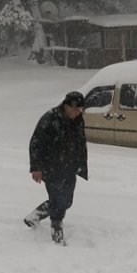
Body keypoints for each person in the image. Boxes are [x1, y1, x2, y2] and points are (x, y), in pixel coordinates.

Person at [25, 90, 89, 245]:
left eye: (80, 109)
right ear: (66, 106)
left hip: (69, 167)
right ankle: (57, 232)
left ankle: (34, 217)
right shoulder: (50, 118)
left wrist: (80, 164)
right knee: (58, 199)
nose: (78, 112)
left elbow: (80, 142)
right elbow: (36, 143)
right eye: (75, 109)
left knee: (67, 201)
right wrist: (36, 168)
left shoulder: (78, 120)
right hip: (50, 166)